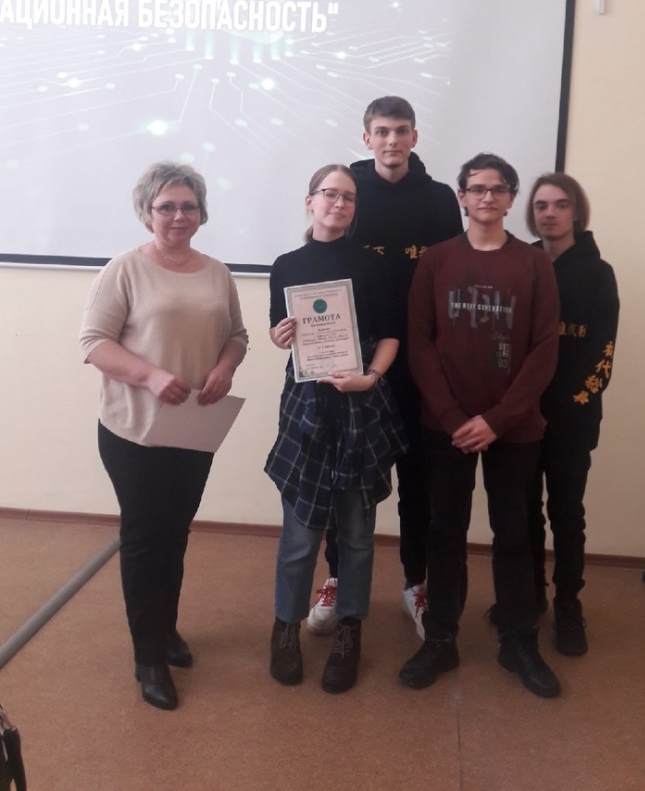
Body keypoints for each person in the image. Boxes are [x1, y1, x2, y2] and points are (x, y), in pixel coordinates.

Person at [79, 162, 248, 711]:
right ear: (147, 212)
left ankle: (165, 628)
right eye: (167, 206)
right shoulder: (125, 269)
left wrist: (225, 367)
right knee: (146, 538)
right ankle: (147, 655)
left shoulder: (217, 272)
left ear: (202, 213)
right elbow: (93, 343)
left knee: (175, 533)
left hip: (193, 428)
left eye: (188, 206)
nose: (179, 215)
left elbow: (238, 336)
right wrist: (150, 375)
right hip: (134, 430)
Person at [398, 153, 562, 698]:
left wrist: (497, 419)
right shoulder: (437, 260)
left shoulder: (534, 264)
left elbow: (544, 349)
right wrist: (452, 418)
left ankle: (519, 642)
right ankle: (440, 639)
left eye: (497, 189)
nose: (486, 197)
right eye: (476, 188)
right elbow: (420, 344)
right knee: (444, 533)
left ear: (511, 198)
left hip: (513, 427)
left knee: (514, 535)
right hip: (446, 427)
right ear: (462, 197)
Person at [307, 96, 463, 640]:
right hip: (356, 355)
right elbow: (323, 261)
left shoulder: (440, 199)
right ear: (366, 137)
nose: (391, 140)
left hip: (420, 359)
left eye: (401, 130)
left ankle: (416, 583)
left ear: (414, 137)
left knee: (419, 477)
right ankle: (337, 577)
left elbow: (451, 277)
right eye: (381, 131)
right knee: (346, 476)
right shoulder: (347, 192)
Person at [266, 164, 408, 694]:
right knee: (300, 533)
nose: (339, 203)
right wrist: (281, 336)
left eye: (348, 197)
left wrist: (370, 377)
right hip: (306, 406)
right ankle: (286, 626)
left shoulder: (373, 265)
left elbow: (391, 335)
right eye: (330, 194)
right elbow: (279, 332)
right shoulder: (286, 265)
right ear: (310, 201)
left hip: (359, 405)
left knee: (357, 535)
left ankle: (350, 628)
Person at [525, 172, 619, 655]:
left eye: (560, 205)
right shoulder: (520, 264)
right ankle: (530, 597)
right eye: (541, 205)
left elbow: (601, 356)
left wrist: (560, 410)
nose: (550, 213)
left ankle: (567, 605)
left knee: (565, 513)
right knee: (524, 513)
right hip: (520, 416)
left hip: (571, 419)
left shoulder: (598, 273)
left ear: (576, 212)